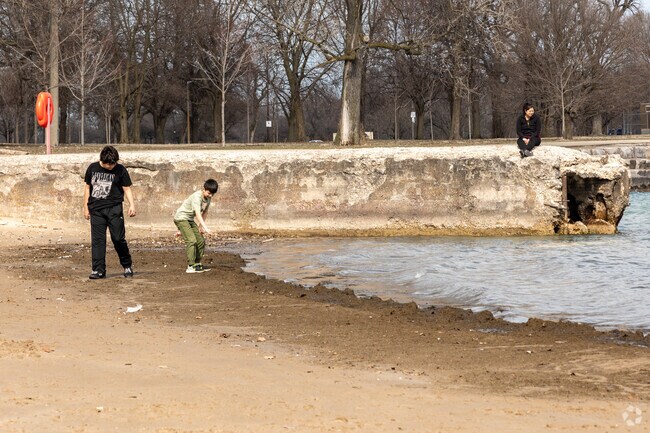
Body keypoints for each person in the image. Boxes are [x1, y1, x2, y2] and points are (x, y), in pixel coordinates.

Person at [83, 146, 136, 279]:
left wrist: (132, 205)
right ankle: (98, 270)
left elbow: (127, 189)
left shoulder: (120, 169)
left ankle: (127, 265)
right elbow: (87, 188)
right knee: (98, 240)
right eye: (109, 164)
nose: (111, 166)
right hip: (96, 209)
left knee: (118, 238)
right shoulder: (92, 168)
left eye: (114, 164)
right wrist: (85, 207)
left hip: (114, 208)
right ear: (102, 160)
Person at [173, 179, 219, 273]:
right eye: (209, 193)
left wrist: (200, 227)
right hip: (181, 218)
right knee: (192, 240)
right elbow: (198, 214)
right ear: (204, 189)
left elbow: (205, 212)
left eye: (212, 194)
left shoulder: (208, 199)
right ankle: (190, 266)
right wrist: (206, 228)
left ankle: (197, 264)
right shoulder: (197, 197)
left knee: (201, 241)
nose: (210, 196)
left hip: (189, 219)